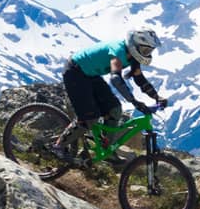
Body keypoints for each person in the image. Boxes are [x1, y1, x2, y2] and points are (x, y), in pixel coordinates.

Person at [52, 30, 167, 160]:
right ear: (135, 45)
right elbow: (116, 79)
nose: (147, 54)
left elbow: (139, 79)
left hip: (90, 74)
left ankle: (106, 148)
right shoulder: (118, 51)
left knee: (114, 110)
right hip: (75, 71)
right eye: (146, 50)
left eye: (149, 51)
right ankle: (57, 147)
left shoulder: (133, 56)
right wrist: (134, 102)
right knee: (89, 117)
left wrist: (157, 97)